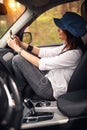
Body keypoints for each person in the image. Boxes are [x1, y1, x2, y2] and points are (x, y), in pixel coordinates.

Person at [7, 12, 87, 100]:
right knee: (22, 57)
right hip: (52, 78)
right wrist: (21, 44)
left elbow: (40, 63)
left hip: (50, 90)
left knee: (18, 59)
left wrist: (16, 48)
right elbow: (45, 52)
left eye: (61, 28)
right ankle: (21, 91)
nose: (58, 30)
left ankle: (17, 94)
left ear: (68, 33)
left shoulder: (73, 54)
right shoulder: (69, 47)